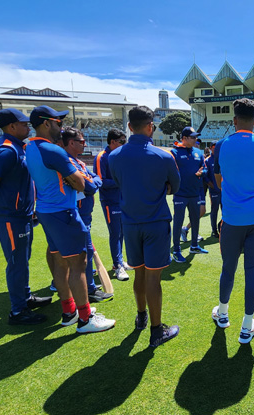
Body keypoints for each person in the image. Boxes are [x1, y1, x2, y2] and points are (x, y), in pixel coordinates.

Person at [26, 105, 115, 333]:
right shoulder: (53, 151)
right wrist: (87, 183)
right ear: (46, 123)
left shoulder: (31, 147)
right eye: (57, 122)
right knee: (78, 264)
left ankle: (69, 312)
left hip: (47, 211)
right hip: (64, 212)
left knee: (60, 262)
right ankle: (85, 319)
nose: (61, 126)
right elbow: (81, 183)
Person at [109, 105, 181, 347]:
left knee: (139, 271)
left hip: (130, 223)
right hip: (156, 222)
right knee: (153, 277)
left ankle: (141, 317)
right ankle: (156, 330)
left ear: (129, 127)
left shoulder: (114, 156)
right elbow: (176, 186)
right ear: (151, 127)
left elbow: (119, 182)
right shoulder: (164, 156)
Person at [0, 108, 51, 325]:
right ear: (11, 127)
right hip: (11, 215)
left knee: (22, 259)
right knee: (17, 262)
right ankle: (18, 312)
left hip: (21, 214)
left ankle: (25, 298)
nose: (27, 127)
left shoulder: (17, 147)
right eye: (23, 123)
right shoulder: (6, 151)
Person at [211, 98, 254, 344]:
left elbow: (218, 179)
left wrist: (234, 192)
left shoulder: (221, 146)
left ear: (234, 120)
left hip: (232, 219)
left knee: (228, 268)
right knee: (253, 272)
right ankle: (247, 326)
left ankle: (223, 314)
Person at [62, 127, 113, 303]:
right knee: (83, 252)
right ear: (71, 143)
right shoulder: (68, 162)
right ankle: (88, 289)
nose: (84, 144)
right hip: (76, 213)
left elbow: (95, 178)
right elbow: (91, 186)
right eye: (81, 142)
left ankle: (86, 286)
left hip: (84, 212)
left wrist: (93, 181)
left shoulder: (78, 162)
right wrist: (93, 182)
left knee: (84, 251)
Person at [94, 129, 130, 281]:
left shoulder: (120, 155)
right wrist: (120, 182)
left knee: (122, 232)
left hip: (122, 200)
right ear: (113, 141)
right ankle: (117, 265)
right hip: (110, 202)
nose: (124, 144)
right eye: (122, 141)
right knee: (115, 233)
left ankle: (120, 261)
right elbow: (100, 181)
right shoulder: (102, 156)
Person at [170, 126, 208, 263]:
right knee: (178, 222)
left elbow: (205, 169)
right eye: (192, 137)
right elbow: (170, 172)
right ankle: (176, 250)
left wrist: (201, 173)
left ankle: (194, 246)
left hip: (194, 193)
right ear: (184, 138)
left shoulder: (198, 152)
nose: (195, 139)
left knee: (196, 219)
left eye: (196, 137)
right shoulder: (174, 152)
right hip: (180, 194)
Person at [204, 140, 221, 238]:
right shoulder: (208, 160)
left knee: (226, 210)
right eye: (214, 147)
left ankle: (223, 228)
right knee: (214, 210)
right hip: (214, 191)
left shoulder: (223, 159)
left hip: (224, 191)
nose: (216, 148)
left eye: (217, 147)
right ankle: (214, 231)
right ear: (210, 148)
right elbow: (205, 177)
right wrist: (212, 186)